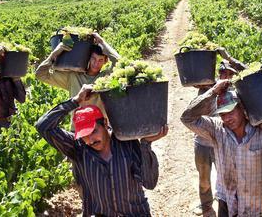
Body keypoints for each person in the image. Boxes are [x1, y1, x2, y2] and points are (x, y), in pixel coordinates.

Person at [35, 84, 168, 216]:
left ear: (105, 123)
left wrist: (145, 144)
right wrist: (76, 100)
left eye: (93, 131)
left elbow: (149, 183)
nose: (90, 140)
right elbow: (43, 126)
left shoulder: (127, 142)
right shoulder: (78, 149)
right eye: (84, 135)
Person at [181, 79, 262, 217]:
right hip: (227, 203)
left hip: (257, 208)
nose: (227, 118)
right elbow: (187, 118)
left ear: (242, 109)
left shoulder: (261, 132)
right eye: (223, 114)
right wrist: (212, 92)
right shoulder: (217, 130)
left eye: (231, 111)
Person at [192, 47, 247, 216]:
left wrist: (227, 56)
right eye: (223, 73)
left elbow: (246, 71)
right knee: (204, 179)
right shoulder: (207, 87)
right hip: (203, 143)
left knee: (228, 179)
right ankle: (206, 206)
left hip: (224, 143)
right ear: (218, 73)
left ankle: (230, 206)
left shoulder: (235, 91)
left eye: (230, 74)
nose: (226, 76)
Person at [35, 32, 120, 117]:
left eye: (100, 60)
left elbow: (119, 63)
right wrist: (54, 54)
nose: (96, 63)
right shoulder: (73, 76)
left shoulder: (106, 77)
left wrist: (102, 42)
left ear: (105, 61)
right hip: (76, 129)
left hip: (100, 129)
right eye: (93, 58)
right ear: (88, 57)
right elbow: (40, 74)